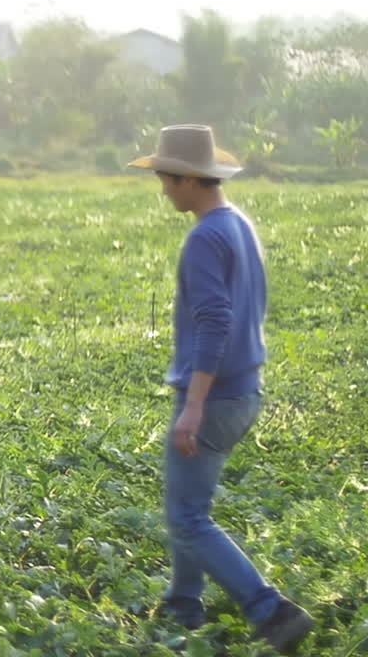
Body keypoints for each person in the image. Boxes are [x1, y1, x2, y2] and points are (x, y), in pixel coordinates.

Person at [129, 125, 314, 653]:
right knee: (189, 507)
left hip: (215, 398)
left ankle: (270, 610)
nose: (162, 187)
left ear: (190, 179)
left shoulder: (205, 237)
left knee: (187, 517)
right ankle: (184, 605)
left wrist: (192, 406)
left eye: (166, 178)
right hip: (244, 392)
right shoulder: (238, 226)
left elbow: (214, 321)